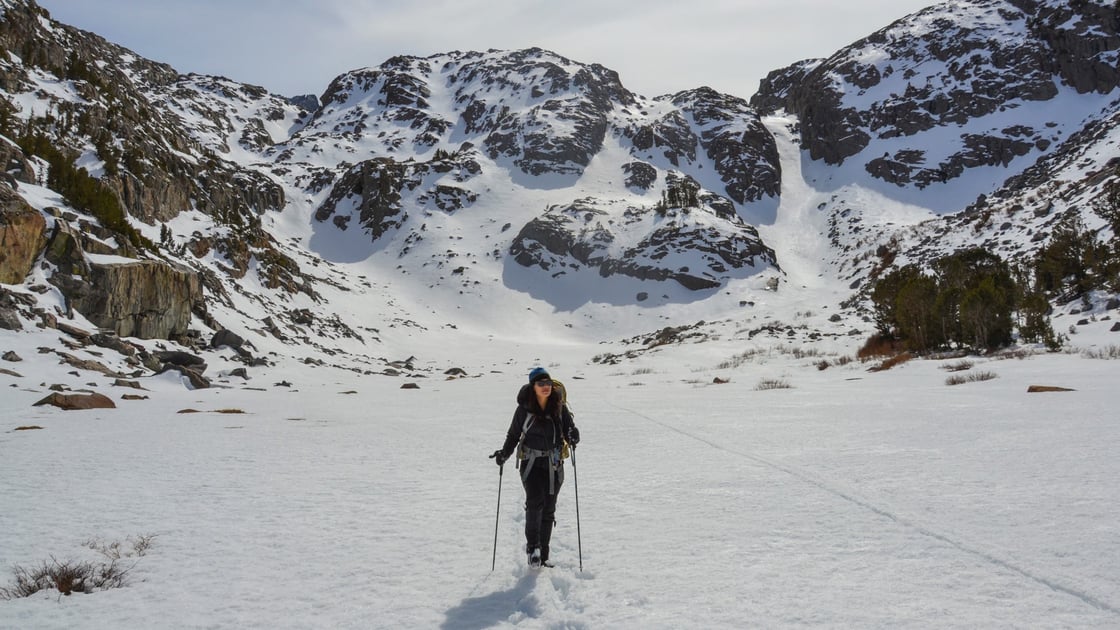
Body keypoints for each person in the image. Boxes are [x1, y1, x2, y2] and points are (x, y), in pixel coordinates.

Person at [490, 367, 580, 568]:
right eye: (541, 384)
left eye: (548, 383)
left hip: (555, 465)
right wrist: (504, 454)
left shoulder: (559, 406)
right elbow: (513, 435)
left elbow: (569, 429)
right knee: (535, 502)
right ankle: (533, 549)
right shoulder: (524, 409)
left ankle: (544, 555)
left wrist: (574, 435)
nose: (546, 387)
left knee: (548, 509)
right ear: (533, 386)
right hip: (531, 465)